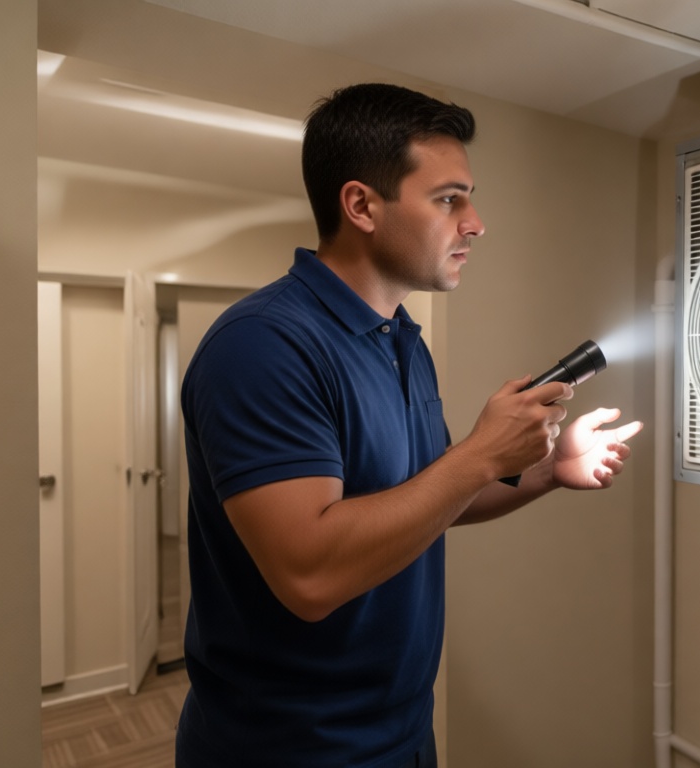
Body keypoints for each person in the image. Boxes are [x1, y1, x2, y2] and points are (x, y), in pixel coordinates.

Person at [176, 83, 642, 768]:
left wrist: (544, 469)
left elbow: (427, 499)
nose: (476, 222)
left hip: (401, 733)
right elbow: (310, 576)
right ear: (361, 204)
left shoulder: (400, 341)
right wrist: (482, 454)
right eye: (449, 199)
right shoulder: (263, 346)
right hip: (287, 748)